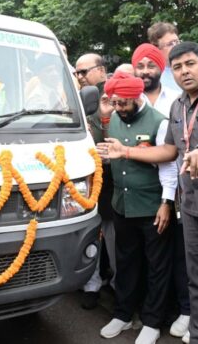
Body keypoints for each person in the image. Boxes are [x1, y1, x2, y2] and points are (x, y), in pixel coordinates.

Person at [98, 42, 198, 344]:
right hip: (193, 206)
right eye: (178, 67)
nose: (185, 71)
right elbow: (170, 150)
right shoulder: (178, 105)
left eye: (190, 64)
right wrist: (126, 151)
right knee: (197, 282)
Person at [97, 72, 178, 344]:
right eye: (115, 103)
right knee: (126, 262)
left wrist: (166, 203)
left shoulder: (159, 121)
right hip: (122, 205)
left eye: (124, 104)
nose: (119, 108)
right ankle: (123, 314)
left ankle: (152, 322)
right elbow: (116, 155)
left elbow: (169, 166)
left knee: (157, 266)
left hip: (152, 205)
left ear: (137, 97)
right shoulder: (115, 119)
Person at [131, 43, 189, 339]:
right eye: (139, 67)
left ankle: (179, 310)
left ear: (161, 68)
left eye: (150, 66)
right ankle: (150, 312)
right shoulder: (128, 100)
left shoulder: (176, 100)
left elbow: (171, 153)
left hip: (176, 188)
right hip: (138, 193)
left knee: (176, 254)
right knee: (145, 256)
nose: (145, 72)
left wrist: (169, 197)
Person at [81, 81, 117, 311]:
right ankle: (90, 286)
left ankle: (116, 285)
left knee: (115, 243)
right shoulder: (87, 117)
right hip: (90, 186)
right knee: (91, 239)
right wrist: (102, 117)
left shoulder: (126, 114)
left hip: (116, 188)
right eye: (108, 98)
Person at [147, 22, 182, 93]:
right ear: (156, 48)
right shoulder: (152, 76)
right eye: (170, 44)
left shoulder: (189, 69)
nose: (176, 46)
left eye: (177, 42)